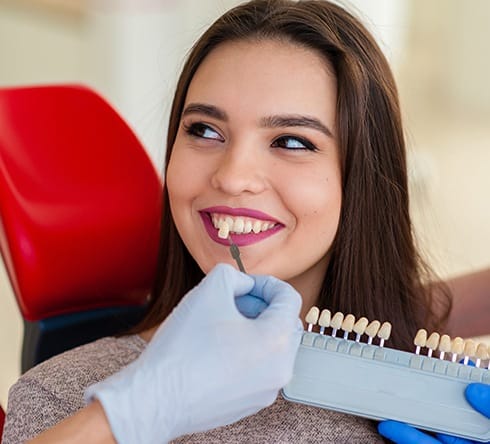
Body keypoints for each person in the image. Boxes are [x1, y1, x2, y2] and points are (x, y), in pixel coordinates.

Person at [2, 0, 485, 442]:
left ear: (361, 178)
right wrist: (135, 412)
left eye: (292, 141)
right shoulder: (62, 400)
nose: (232, 178)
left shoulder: (430, 393)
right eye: (205, 130)